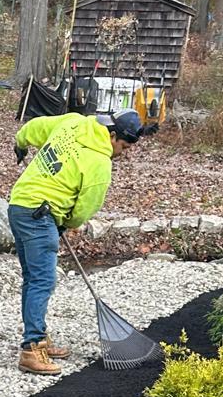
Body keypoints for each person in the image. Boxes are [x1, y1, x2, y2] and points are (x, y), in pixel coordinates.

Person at [8, 109, 149, 376]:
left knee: (33, 277)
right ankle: (31, 349)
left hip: (19, 205)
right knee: (43, 280)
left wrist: (20, 143)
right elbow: (85, 210)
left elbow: (34, 127)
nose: (122, 153)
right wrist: (66, 222)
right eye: (123, 146)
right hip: (39, 214)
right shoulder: (99, 163)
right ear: (112, 135)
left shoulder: (74, 122)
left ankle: (38, 336)